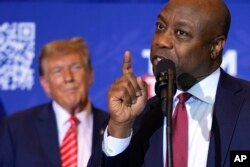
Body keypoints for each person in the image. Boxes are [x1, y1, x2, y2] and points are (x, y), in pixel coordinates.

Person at [87, 0, 250, 167]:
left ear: (215, 46)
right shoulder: (140, 118)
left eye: (181, 33)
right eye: (160, 26)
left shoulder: (245, 104)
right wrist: (119, 128)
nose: (162, 41)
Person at [0, 37, 108, 167]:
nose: (68, 78)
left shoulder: (115, 128)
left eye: (75, 67)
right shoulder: (15, 129)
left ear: (90, 75)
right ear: (45, 83)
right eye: (57, 71)